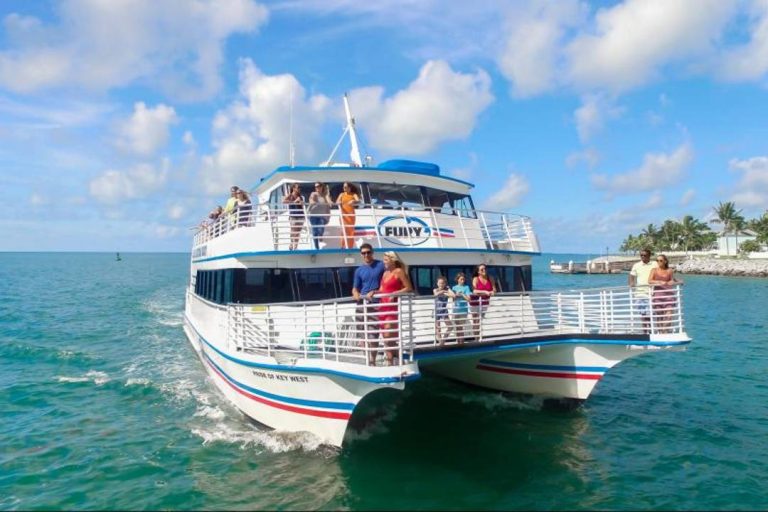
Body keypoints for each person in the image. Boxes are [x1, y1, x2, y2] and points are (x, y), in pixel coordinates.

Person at [375, 251, 413, 366]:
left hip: (392, 308)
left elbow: (408, 288)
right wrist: (373, 292)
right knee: (386, 339)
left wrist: (395, 293)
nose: (384, 262)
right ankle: (391, 363)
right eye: (384, 260)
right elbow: (382, 290)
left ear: (392, 260)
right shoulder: (385, 273)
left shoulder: (399, 271)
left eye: (386, 260)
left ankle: (401, 361)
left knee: (388, 336)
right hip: (382, 307)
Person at [352, 243, 386, 365]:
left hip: (376, 304)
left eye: (368, 252)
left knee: (373, 333)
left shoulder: (381, 265)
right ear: (361, 254)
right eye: (363, 253)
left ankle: (372, 360)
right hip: (362, 304)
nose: (366, 255)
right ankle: (367, 358)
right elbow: (355, 288)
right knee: (362, 333)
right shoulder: (359, 270)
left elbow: (386, 283)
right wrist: (355, 293)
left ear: (372, 252)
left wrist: (376, 291)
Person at [648, 254, 682, 333]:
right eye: (657, 260)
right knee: (659, 316)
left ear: (665, 261)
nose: (658, 262)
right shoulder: (654, 270)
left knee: (669, 315)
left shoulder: (669, 270)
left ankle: (665, 331)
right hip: (658, 295)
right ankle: (661, 332)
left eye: (660, 260)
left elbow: (671, 280)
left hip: (669, 295)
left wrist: (675, 282)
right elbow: (649, 281)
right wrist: (659, 282)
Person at [628, 248, 658, 332]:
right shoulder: (636, 265)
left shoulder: (655, 264)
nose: (643, 257)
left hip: (651, 293)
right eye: (641, 255)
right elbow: (631, 275)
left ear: (649, 255)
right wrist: (631, 283)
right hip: (640, 293)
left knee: (650, 314)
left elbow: (662, 271)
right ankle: (645, 331)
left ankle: (651, 330)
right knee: (643, 314)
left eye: (645, 255)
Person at [470, 263, 496, 340]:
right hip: (475, 302)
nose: (484, 270)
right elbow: (474, 291)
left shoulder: (490, 278)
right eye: (482, 269)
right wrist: (485, 292)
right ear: (478, 272)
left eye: (485, 269)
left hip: (485, 302)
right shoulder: (476, 279)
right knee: (476, 321)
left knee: (480, 320)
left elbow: (494, 288)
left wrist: (493, 292)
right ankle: (476, 339)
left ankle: (478, 337)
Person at [307, 182, 332, 250]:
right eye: (315, 187)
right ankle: (316, 247)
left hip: (322, 216)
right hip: (313, 215)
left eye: (318, 186)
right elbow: (311, 199)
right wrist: (312, 201)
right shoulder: (314, 193)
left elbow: (329, 202)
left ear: (321, 187)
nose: (316, 188)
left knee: (321, 229)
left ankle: (320, 236)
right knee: (314, 231)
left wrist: (331, 203)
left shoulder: (325, 195)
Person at [336, 182, 360, 249]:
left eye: (345, 187)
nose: (344, 188)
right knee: (343, 230)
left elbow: (358, 200)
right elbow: (337, 201)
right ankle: (342, 246)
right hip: (343, 215)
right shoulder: (341, 194)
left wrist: (353, 201)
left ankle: (350, 247)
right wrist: (339, 202)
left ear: (349, 188)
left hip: (351, 215)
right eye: (343, 187)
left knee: (350, 232)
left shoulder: (353, 194)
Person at [283, 183, 305, 250]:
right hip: (293, 216)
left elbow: (302, 206)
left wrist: (301, 202)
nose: (299, 189)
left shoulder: (300, 197)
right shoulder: (290, 196)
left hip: (301, 215)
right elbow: (283, 201)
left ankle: (296, 247)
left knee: (298, 232)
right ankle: (291, 244)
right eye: (298, 187)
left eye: (299, 187)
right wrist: (294, 201)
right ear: (294, 188)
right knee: (293, 231)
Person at [433, 276, 454, 346]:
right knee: (438, 328)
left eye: (442, 283)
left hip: (444, 310)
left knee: (450, 327)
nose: (441, 285)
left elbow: (453, 295)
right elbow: (436, 294)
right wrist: (444, 291)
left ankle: (443, 341)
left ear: (445, 284)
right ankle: (440, 343)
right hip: (437, 310)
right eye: (439, 283)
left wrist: (448, 290)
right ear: (437, 283)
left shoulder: (447, 290)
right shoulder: (435, 289)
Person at [451, 273, 471, 344]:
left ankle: (461, 342)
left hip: (463, 310)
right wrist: (456, 295)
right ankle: (458, 341)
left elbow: (469, 299)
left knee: (460, 326)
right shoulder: (454, 287)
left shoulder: (466, 287)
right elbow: (453, 299)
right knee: (457, 326)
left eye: (463, 279)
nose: (463, 281)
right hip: (456, 309)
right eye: (461, 279)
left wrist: (462, 294)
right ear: (457, 280)